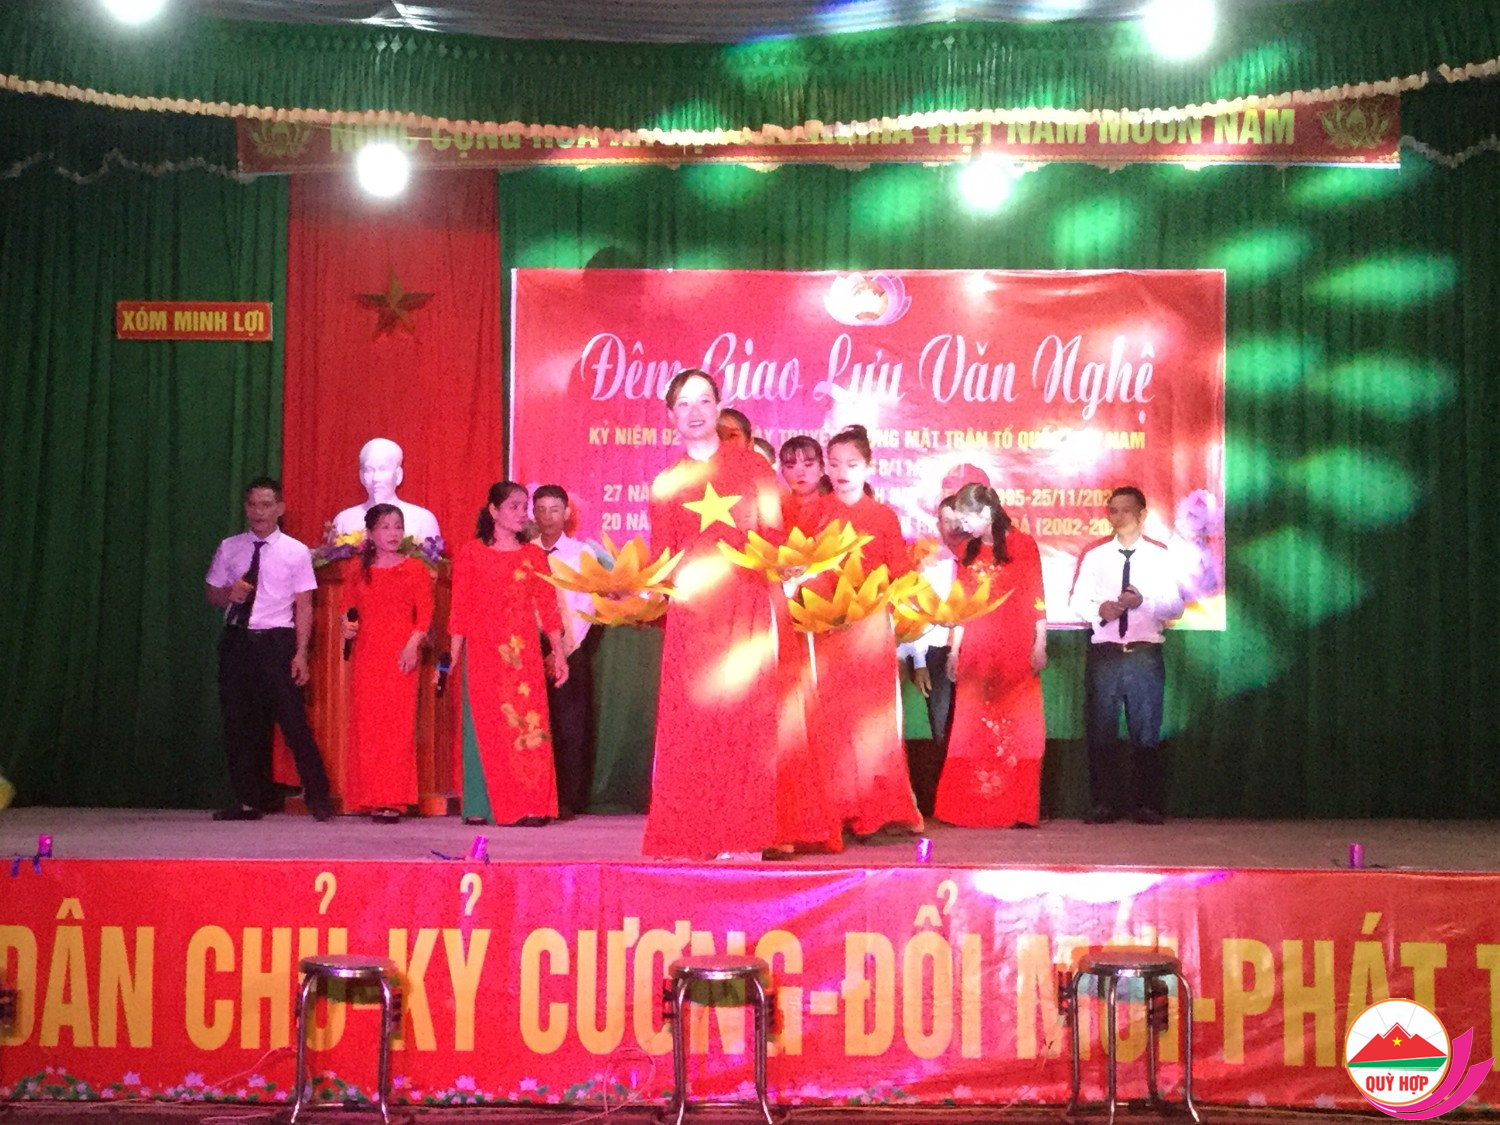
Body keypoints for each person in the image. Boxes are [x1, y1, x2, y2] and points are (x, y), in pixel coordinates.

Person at [644, 369, 802, 858]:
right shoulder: (666, 484)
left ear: (718, 407)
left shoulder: (753, 467)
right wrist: (637, 594)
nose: (694, 412)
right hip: (692, 620)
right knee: (692, 726)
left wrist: (786, 573)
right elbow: (662, 560)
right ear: (670, 415)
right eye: (684, 404)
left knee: (745, 723)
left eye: (703, 401)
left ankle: (744, 837)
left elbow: (774, 538)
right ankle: (692, 835)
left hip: (747, 610)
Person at [811, 425, 923, 837]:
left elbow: (900, 573)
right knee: (829, 722)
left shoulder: (882, 516)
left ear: (869, 467)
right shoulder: (814, 512)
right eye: (835, 464)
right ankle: (832, 811)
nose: (842, 472)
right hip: (825, 630)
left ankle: (875, 811)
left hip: (870, 632)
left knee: (872, 724)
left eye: (852, 464)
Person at [204, 477, 334, 822]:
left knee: (293, 721)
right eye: (252, 505)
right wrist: (228, 593)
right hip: (237, 640)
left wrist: (301, 653)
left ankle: (318, 796)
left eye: (265, 505)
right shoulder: (230, 547)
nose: (258, 512)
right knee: (240, 722)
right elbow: (211, 593)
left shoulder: (295, 551)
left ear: (279, 508)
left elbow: (304, 606)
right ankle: (249, 800)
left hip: (276, 640)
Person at [448, 482, 569, 827]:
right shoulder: (472, 553)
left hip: (523, 654)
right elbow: (460, 609)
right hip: (483, 652)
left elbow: (549, 609)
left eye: (523, 507)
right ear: (493, 511)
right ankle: (481, 804)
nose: (522, 514)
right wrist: (452, 657)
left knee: (527, 726)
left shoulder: (533, 556)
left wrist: (558, 653)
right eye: (514, 507)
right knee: (485, 726)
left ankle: (531, 803)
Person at [932, 483, 1049, 828]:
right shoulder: (968, 550)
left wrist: (1040, 643)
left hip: (1015, 646)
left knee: (1018, 726)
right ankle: (969, 809)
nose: (962, 527)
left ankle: (1016, 809)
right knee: (972, 727)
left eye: (967, 519)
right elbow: (960, 605)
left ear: (986, 513)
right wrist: (955, 650)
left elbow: (1037, 597)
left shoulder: (1023, 544)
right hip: (977, 648)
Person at [1067, 486, 1185, 825]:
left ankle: (1147, 804)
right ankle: (1105, 803)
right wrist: (1099, 610)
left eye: (1125, 510)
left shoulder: (1159, 556)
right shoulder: (1096, 556)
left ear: (1142, 514)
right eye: (1113, 510)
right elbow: (1077, 601)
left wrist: (1142, 602)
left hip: (1143, 652)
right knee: (1101, 729)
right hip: (1105, 652)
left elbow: (1175, 607)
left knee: (1146, 730)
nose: (1118, 517)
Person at [339, 504, 433, 822]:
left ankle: (393, 799)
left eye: (397, 526)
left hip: (401, 655)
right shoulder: (356, 569)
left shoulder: (415, 569)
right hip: (367, 655)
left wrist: (412, 645)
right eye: (385, 527)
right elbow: (347, 609)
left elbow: (425, 615)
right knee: (368, 727)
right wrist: (345, 625)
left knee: (397, 728)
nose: (393, 533)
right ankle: (368, 797)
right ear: (370, 533)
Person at [898, 496, 966, 815]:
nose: (953, 528)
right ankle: (945, 802)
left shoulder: (978, 565)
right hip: (936, 653)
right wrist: (920, 662)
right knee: (942, 727)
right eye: (945, 521)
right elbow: (915, 615)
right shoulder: (929, 564)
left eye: (958, 521)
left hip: (973, 651)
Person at [533, 484, 597, 819]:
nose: (548, 517)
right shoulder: (524, 552)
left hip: (572, 646)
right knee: (534, 724)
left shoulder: (581, 554)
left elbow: (587, 607)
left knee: (570, 726)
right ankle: (537, 796)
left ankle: (568, 799)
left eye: (554, 509)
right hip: (529, 646)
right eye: (541, 509)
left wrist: (562, 650)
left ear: (567, 513)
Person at [331, 437, 442, 545]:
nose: (375, 478)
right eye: (369, 470)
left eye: (382, 469)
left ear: (398, 475)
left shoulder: (422, 520)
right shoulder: (344, 520)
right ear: (361, 476)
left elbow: (433, 557)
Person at [778, 434, 831, 533]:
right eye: (790, 466)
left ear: (822, 467)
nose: (800, 473)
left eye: (808, 465)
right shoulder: (775, 512)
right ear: (782, 471)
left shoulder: (835, 508)